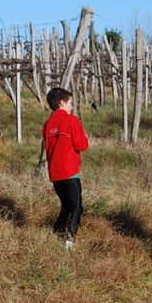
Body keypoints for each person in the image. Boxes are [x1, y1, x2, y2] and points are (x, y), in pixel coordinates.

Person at [42, 87, 90, 251]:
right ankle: (69, 240)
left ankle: (56, 231)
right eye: (70, 103)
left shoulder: (48, 124)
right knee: (77, 206)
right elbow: (82, 145)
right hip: (70, 171)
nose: (71, 106)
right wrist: (85, 137)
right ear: (62, 103)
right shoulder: (71, 120)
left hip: (55, 172)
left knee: (66, 205)